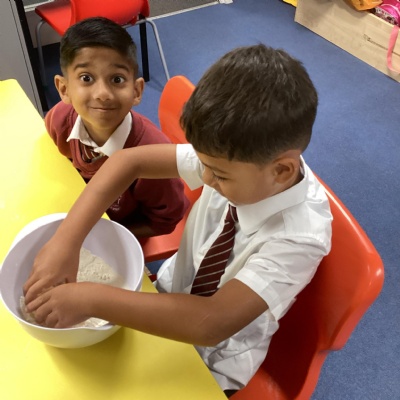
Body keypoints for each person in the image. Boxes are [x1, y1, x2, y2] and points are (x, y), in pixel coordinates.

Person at [24, 44, 332, 396]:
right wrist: (66, 241)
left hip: (214, 358)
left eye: (218, 175)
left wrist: (89, 299)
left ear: (282, 171)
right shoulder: (236, 159)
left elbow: (212, 323)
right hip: (169, 292)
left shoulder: (300, 237)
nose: (206, 178)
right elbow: (127, 162)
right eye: (204, 165)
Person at [45, 17, 188, 238]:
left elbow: (165, 222)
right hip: (77, 210)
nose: (103, 94)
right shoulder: (60, 119)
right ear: (64, 89)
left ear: (137, 91)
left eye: (117, 79)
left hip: (119, 231)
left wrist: (99, 235)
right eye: (86, 78)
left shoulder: (151, 159)